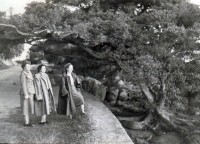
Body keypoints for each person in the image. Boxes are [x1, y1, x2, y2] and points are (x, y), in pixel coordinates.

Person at [19, 61, 35, 127]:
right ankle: (26, 123)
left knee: (29, 107)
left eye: (29, 66)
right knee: (25, 108)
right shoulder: (23, 74)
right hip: (26, 93)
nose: (29, 67)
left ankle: (28, 121)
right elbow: (23, 85)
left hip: (30, 91)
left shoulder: (29, 72)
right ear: (24, 67)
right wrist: (26, 94)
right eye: (27, 66)